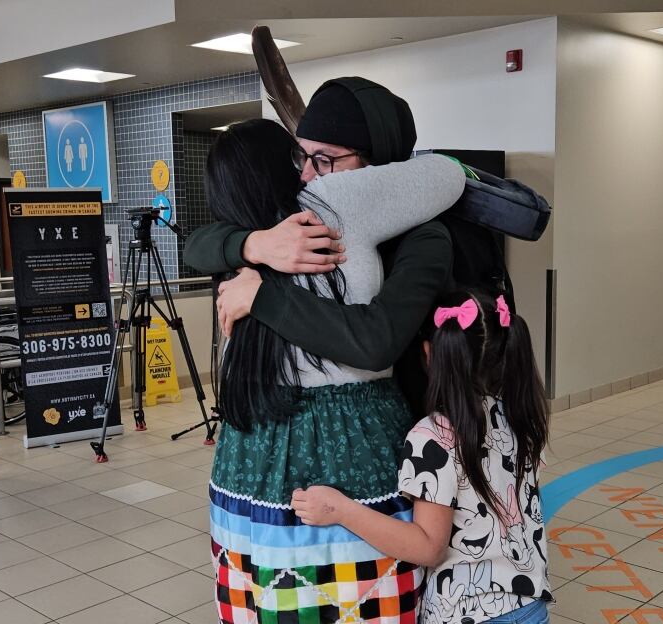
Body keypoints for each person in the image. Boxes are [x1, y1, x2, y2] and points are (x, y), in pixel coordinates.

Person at [206, 116, 466, 624]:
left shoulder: (230, 246)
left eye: (324, 158)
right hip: (352, 440)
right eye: (302, 159)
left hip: (249, 447)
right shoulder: (335, 203)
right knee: (367, 597)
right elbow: (449, 174)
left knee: (263, 602)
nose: (311, 170)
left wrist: (251, 246)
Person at [184, 77, 457, 417]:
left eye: (326, 160)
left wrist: (261, 297)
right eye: (302, 156)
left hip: (412, 421)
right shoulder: (299, 223)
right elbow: (197, 245)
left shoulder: (426, 237)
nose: (306, 176)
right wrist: (254, 244)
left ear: (379, 164)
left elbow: (376, 342)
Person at [291, 290, 554, 624]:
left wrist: (341, 509)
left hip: (468, 614)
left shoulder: (432, 437)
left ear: (429, 355)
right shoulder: (521, 415)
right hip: (530, 607)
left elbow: (429, 545)